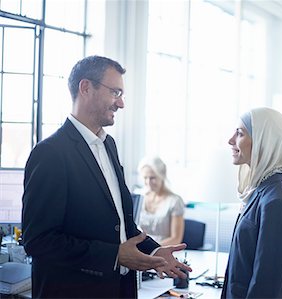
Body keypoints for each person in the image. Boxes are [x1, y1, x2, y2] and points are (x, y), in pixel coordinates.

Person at [21, 55, 191, 299]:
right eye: (115, 93)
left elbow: (122, 226)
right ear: (86, 87)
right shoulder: (50, 153)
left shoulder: (108, 145)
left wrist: (154, 252)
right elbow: (38, 240)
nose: (121, 104)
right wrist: (115, 255)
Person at [221, 107, 282, 298]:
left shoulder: (275, 201)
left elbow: (265, 284)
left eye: (240, 134)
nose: (230, 141)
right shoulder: (259, 192)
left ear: (264, 142)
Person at [136, 156, 185, 245]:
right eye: (145, 178)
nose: (148, 182)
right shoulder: (139, 198)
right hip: (141, 251)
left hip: (164, 251)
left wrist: (152, 249)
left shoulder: (174, 201)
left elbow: (176, 239)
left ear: (162, 176)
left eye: (152, 178)